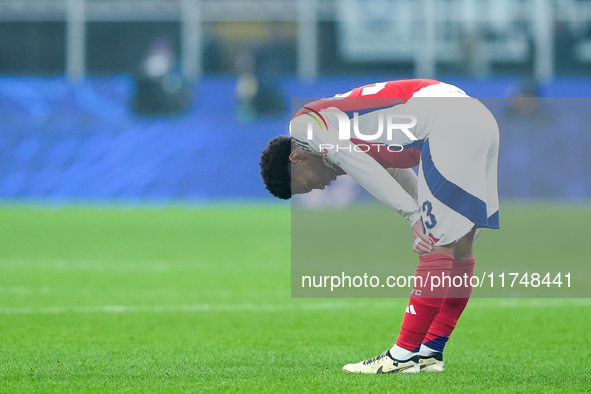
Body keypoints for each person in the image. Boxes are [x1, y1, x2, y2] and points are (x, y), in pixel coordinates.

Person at [259, 79, 500, 374]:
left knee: (436, 244)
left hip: (449, 123)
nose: (320, 187)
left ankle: (402, 356)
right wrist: (420, 210)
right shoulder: (337, 126)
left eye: (307, 183)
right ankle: (429, 352)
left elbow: (359, 165)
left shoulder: (303, 128)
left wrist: (414, 215)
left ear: (295, 158)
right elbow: (390, 166)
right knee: (460, 245)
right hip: (476, 119)